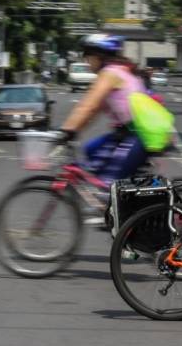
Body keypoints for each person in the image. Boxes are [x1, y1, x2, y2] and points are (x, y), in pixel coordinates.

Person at [57, 34, 150, 225]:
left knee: (110, 183)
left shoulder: (110, 74)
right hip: (126, 135)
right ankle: (113, 211)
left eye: (87, 56)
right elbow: (92, 112)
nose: (86, 61)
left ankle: (120, 217)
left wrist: (65, 131)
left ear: (99, 56)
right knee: (91, 149)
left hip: (138, 137)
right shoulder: (118, 71)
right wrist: (75, 130)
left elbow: (87, 107)